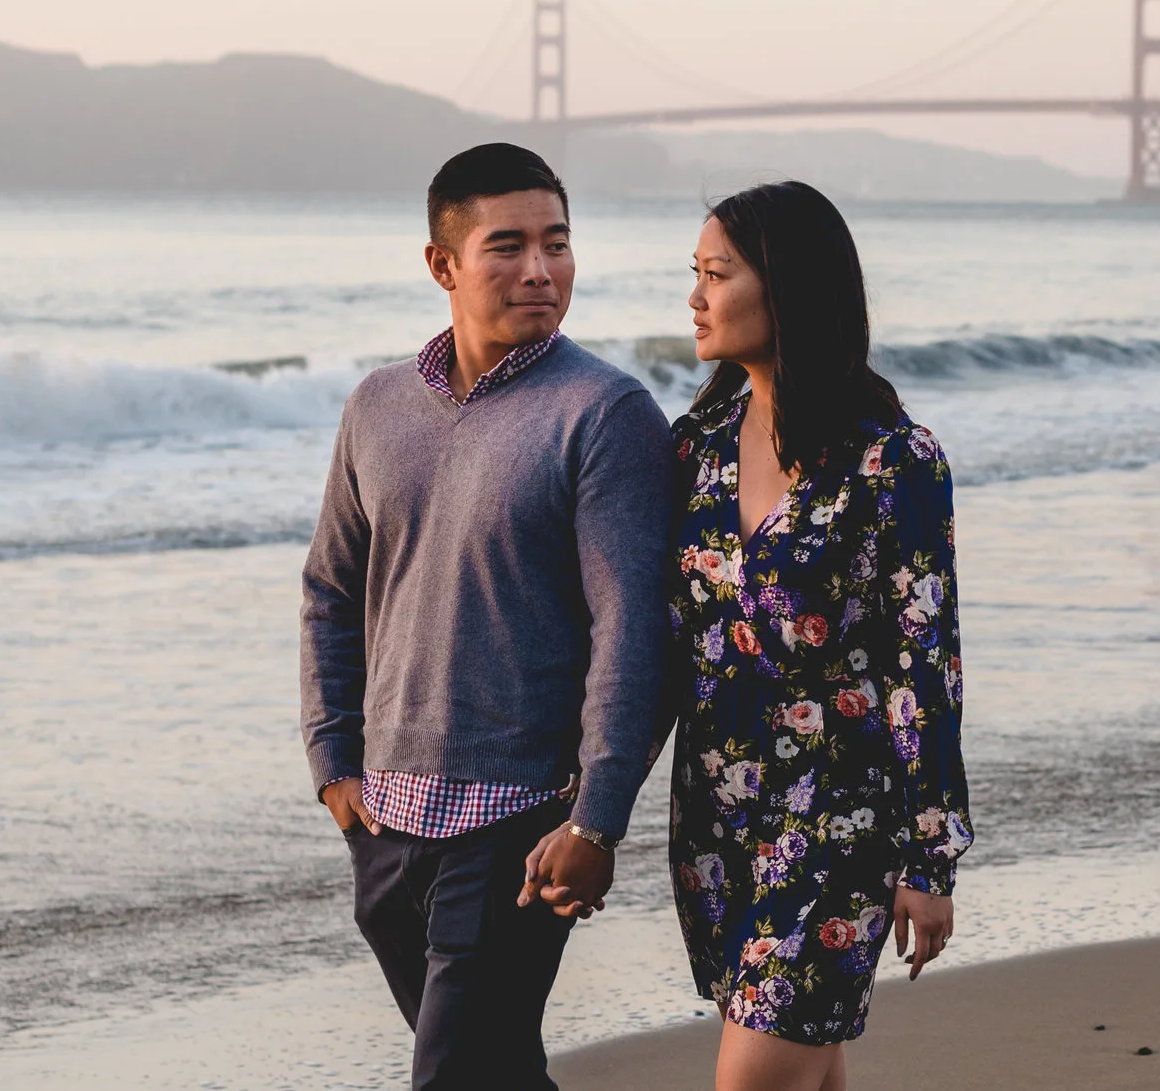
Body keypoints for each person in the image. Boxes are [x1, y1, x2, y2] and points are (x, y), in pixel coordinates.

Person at [301, 142, 673, 1090]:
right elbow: (333, 590)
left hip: (519, 822)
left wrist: (596, 819)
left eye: (558, 242)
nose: (541, 270)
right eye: (507, 246)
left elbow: (631, 627)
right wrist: (334, 763)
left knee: (452, 1077)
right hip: (385, 815)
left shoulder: (604, 411)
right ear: (443, 264)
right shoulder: (377, 405)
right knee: (496, 1069)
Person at [667, 181, 972, 1091]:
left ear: (787, 287)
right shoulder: (696, 449)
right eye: (695, 273)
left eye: (717, 274)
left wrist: (929, 854)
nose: (695, 297)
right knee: (803, 1070)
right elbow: (663, 649)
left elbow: (924, 663)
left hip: (843, 818)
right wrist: (590, 801)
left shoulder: (893, 461)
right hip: (718, 817)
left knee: (751, 1077)